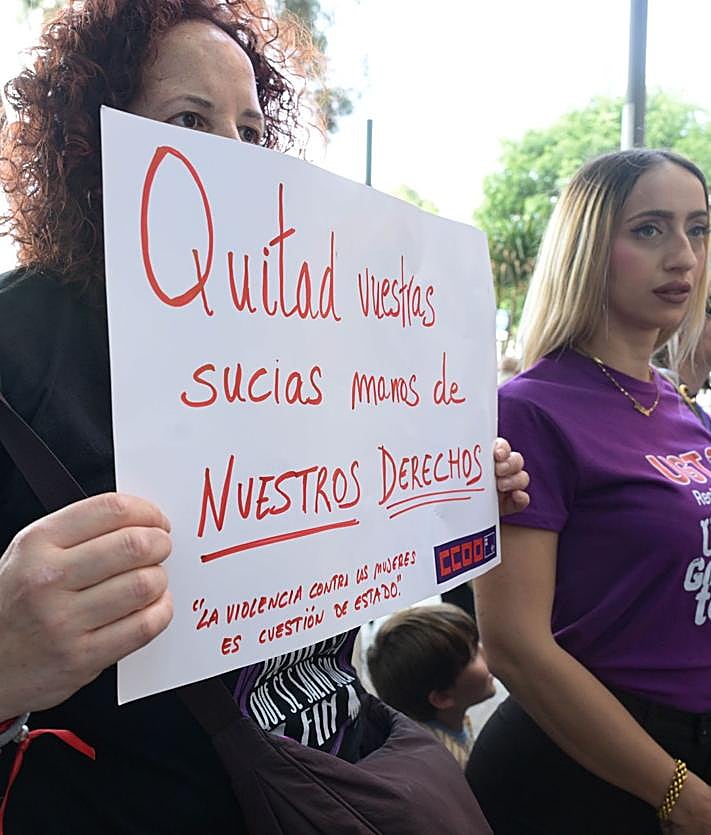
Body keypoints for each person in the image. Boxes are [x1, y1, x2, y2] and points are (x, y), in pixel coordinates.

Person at [0, 2, 529, 832]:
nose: (233, 158)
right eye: (188, 120)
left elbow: (350, 529)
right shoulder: (20, 346)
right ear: (91, 144)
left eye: (251, 130)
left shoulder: (310, 331)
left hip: (333, 782)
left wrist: (450, 492)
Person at [467, 149, 711, 834]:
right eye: (649, 229)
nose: (684, 257)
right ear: (586, 249)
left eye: (697, 228)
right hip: (585, 775)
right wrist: (677, 795)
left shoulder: (679, 405)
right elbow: (513, 642)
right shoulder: (528, 409)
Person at [366, 603, 495, 769]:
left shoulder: (450, 721)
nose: (484, 651)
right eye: (473, 656)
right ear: (442, 697)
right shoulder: (451, 765)